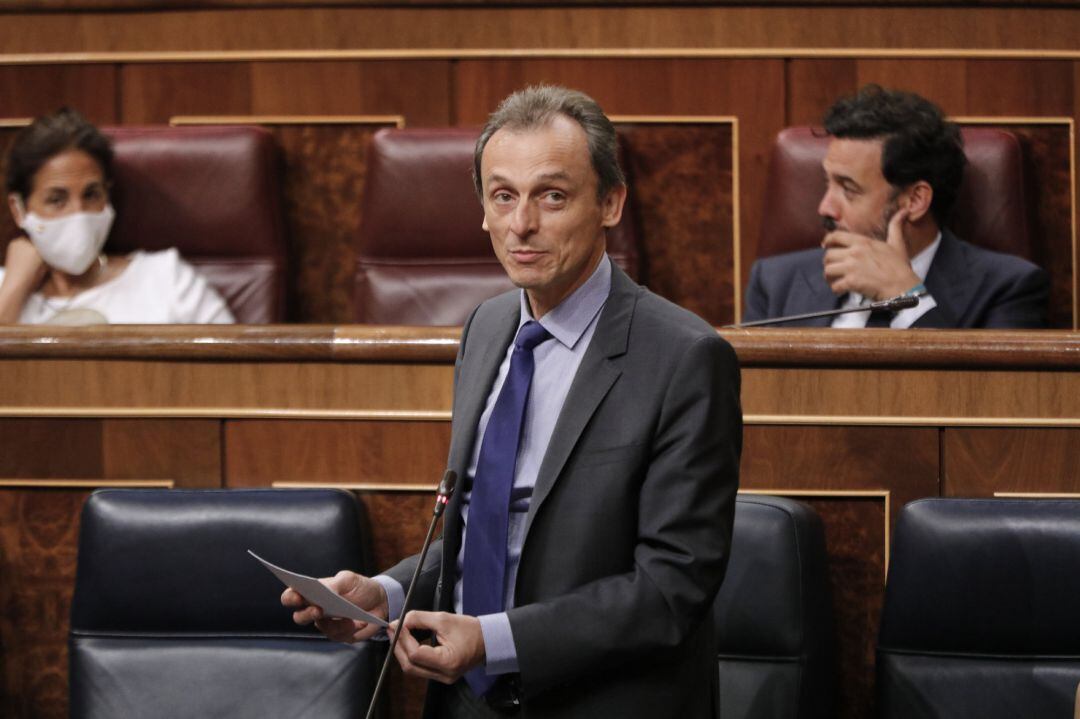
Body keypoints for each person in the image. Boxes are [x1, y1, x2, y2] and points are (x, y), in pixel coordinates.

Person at [283, 85, 742, 718]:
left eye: (551, 196)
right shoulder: (487, 327)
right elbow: (491, 528)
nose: (522, 224)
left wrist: (495, 641)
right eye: (503, 196)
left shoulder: (685, 356)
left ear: (610, 203)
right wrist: (389, 592)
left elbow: (672, 588)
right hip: (464, 702)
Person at [743, 85, 1049, 328]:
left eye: (848, 189)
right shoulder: (775, 283)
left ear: (915, 201)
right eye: (827, 184)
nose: (825, 208)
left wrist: (906, 294)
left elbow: (986, 402)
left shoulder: (1007, 289)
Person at [0, 107, 234, 324]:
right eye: (57, 200)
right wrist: (14, 288)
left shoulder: (166, 279)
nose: (78, 213)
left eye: (91, 195)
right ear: (18, 209)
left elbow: (237, 366)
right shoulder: (5, 285)